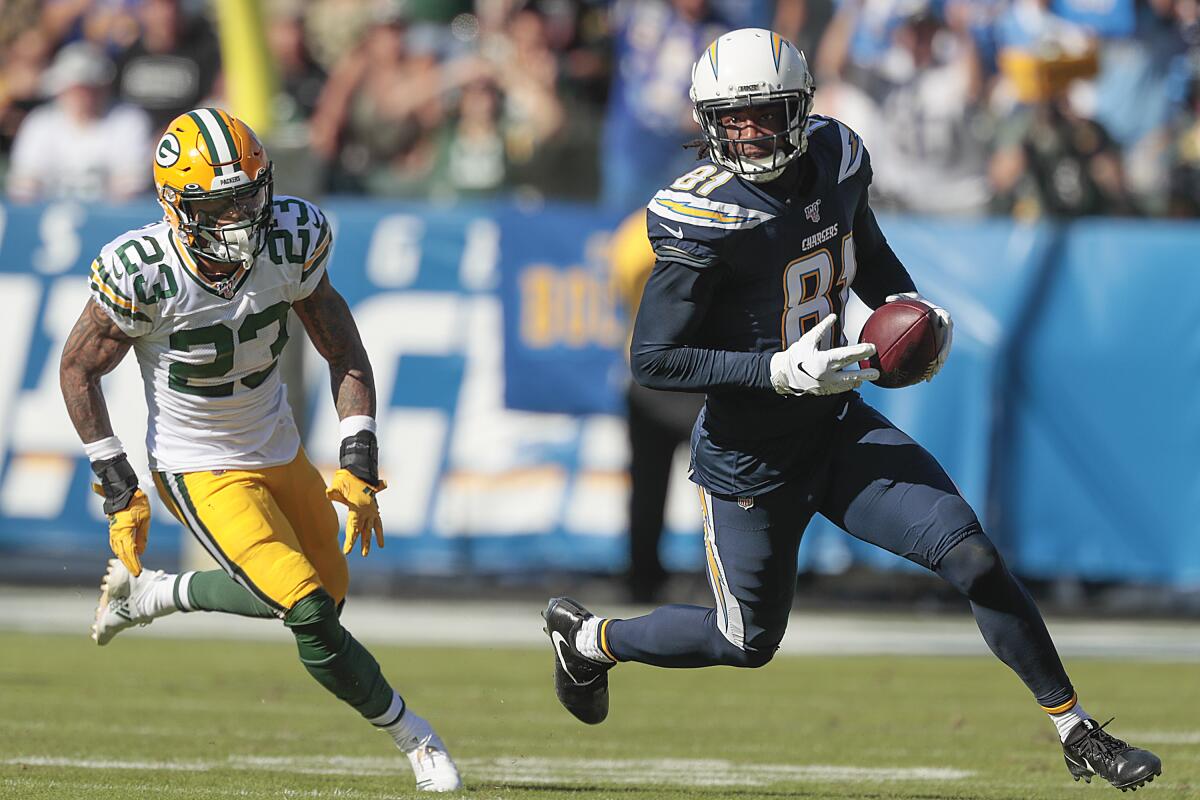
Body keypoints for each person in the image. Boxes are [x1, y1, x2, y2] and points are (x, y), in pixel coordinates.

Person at [542, 28, 1162, 793]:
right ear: (707, 123)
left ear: (800, 109)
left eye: (765, 113)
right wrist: (776, 369)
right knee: (745, 641)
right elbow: (654, 360)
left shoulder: (835, 156)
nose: (748, 132)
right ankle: (592, 640)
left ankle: (1076, 729)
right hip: (749, 463)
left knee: (969, 553)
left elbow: (865, 251)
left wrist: (907, 306)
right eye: (731, 119)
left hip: (837, 427)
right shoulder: (700, 215)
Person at [58, 108, 460, 793]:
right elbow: (78, 367)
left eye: (249, 193)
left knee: (326, 601)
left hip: (278, 446)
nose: (243, 214)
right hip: (198, 464)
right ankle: (416, 737)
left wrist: (358, 453)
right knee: (305, 611)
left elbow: (343, 348)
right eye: (221, 204)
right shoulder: (144, 271)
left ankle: (154, 595)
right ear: (177, 206)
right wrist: (120, 486)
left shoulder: (292, 237)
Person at [609, 210, 704, 602]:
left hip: (666, 370)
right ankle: (651, 575)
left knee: (652, 486)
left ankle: (643, 576)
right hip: (693, 370)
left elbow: (622, 279)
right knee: (720, 486)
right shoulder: (723, 220)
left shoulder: (639, 228)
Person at [7, 41, 152, 201]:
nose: (81, 96)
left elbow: (131, 185)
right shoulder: (40, 123)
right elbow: (22, 184)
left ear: (103, 87)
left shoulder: (128, 120)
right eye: (74, 88)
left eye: (88, 88)